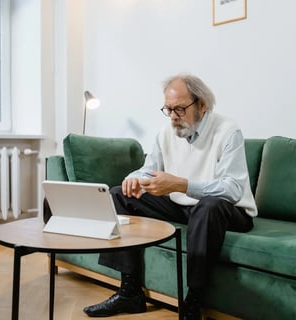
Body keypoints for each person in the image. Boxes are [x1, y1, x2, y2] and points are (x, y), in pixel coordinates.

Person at [83, 74, 257, 320]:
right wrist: (133, 178)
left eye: (180, 109)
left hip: (231, 211)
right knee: (119, 194)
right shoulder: (165, 133)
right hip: (185, 206)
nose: (173, 116)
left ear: (202, 105)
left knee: (209, 206)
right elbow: (149, 167)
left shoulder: (228, 130)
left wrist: (181, 185)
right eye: (168, 109)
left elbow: (233, 189)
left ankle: (193, 302)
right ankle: (129, 292)